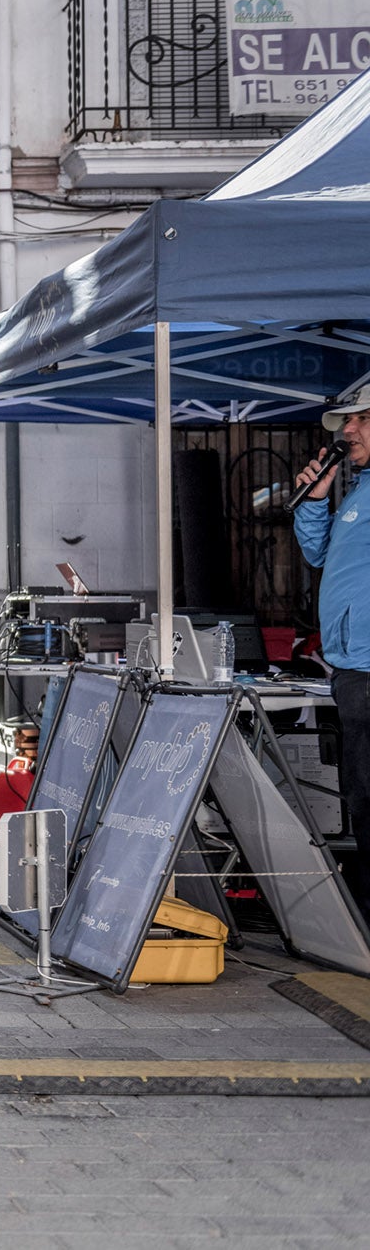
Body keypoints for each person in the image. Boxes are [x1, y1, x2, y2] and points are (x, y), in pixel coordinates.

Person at [297, 378, 370, 921]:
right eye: (350, 420)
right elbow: (318, 553)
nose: (349, 430)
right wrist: (315, 500)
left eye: (362, 420)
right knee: (362, 799)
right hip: (352, 669)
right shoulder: (360, 490)